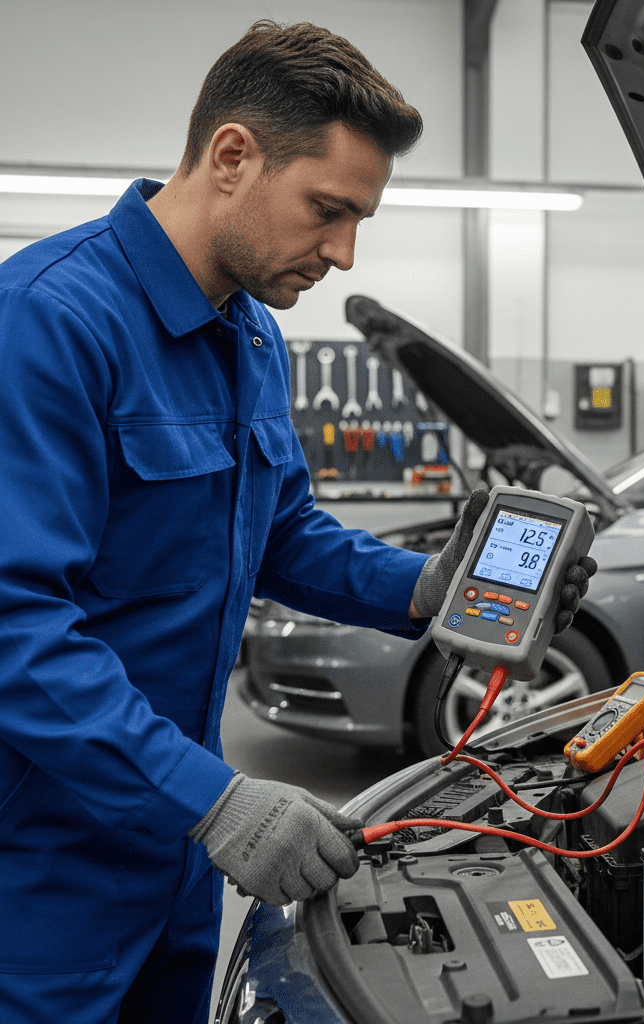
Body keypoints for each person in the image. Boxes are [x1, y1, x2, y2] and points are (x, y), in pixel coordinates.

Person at [0, 20, 595, 1024]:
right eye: (327, 211)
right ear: (232, 156)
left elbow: (279, 535)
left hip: (179, 850)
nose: (344, 252)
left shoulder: (254, 340)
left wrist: (420, 586)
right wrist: (215, 795)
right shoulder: (48, 322)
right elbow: (14, 621)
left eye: (358, 218)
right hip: (44, 856)